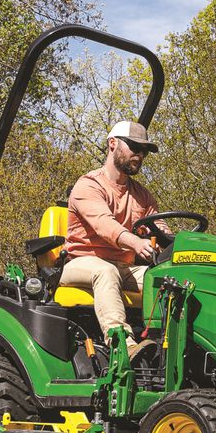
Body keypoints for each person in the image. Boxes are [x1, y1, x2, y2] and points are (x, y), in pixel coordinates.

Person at [60, 120, 165, 358]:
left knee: (168, 279)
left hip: (124, 267)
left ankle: (168, 345)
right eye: (134, 147)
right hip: (80, 262)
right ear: (112, 144)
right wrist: (137, 242)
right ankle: (123, 346)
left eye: (144, 151)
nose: (139, 155)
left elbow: (159, 226)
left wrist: (174, 242)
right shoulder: (89, 185)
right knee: (105, 271)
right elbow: (104, 225)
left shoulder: (142, 195)